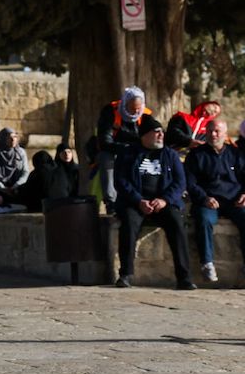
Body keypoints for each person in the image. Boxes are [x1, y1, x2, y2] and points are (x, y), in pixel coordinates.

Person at [113, 114, 195, 289]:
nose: (161, 136)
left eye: (161, 132)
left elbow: (180, 182)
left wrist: (165, 200)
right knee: (128, 224)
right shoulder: (128, 154)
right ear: (145, 135)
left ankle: (184, 277)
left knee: (177, 224)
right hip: (136, 203)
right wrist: (138, 200)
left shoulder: (170, 155)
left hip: (163, 203)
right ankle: (126, 274)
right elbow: (121, 181)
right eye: (156, 132)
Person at [183, 115, 244, 284]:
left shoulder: (236, 154)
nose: (213, 134)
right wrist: (204, 198)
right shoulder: (196, 155)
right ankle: (207, 263)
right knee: (203, 219)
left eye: (217, 131)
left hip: (233, 201)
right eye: (210, 131)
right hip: (208, 201)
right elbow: (190, 182)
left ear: (225, 134)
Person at [94, 86, 149, 204]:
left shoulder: (145, 115)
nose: (136, 112)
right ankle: (111, 202)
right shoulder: (110, 111)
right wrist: (125, 148)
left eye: (138, 109)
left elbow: (149, 137)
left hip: (136, 151)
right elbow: (105, 141)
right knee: (106, 158)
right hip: (114, 149)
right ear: (125, 104)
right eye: (132, 108)